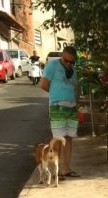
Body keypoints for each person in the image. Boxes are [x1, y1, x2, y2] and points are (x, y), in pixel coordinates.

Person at [40, 46, 80, 178]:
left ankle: (66, 169)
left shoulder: (73, 71)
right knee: (58, 138)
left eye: (71, 62)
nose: (68, 63)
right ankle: (55, 171)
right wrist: (57, 96)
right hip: (57, 106)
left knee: (69, 138)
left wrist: (76, 103)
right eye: (66, 60)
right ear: (62, 56)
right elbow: (44, 85)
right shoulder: (52, 66)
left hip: (71, 107)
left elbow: (75, 87)